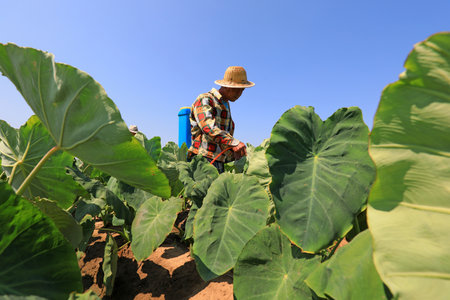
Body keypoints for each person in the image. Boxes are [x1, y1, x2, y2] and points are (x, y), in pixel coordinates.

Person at [187, 66, 255, 173]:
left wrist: (234, 153)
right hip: (203, 160)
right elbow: (208, 128)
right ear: (227, 86)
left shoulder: (225, 105)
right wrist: (234, 143)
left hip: (219, 161)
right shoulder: (205, 99)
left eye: (242, 90)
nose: (240, 94)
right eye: (238, 90)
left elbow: (222, 139)